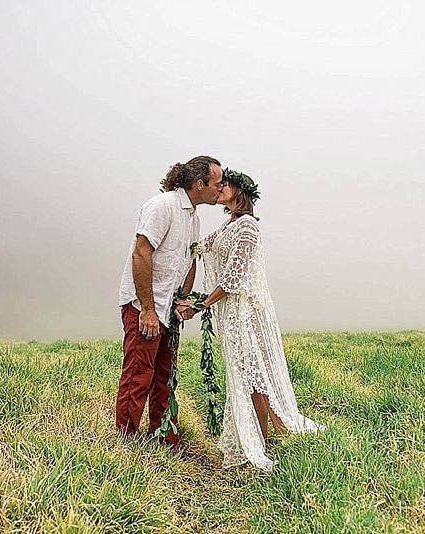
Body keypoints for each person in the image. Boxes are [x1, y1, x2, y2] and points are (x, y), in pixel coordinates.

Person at [180, 168, 325, 470]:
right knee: (247, 372)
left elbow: (234, 278)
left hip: (247, 310)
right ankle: (268, 433)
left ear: (240, 191)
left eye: (226, 184)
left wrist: (201, 304)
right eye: (219, 183)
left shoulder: (247, 226)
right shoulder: (229, 224)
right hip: (232, 311)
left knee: (254, 372)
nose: (220, 187)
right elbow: (203, 246)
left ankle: (266, 436)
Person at [116, 156, 223, 450]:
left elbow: (189, 263)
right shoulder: (162, 206)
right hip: (144, 307)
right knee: (139, 375)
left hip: (168, 310)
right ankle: (126, 441)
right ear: (199, 184)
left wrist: (182, 299)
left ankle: (164, 438)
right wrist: (148, 310)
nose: (221, 188)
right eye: (217, 183)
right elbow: (141, 253)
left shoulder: (194, 219)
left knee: (165, 376)